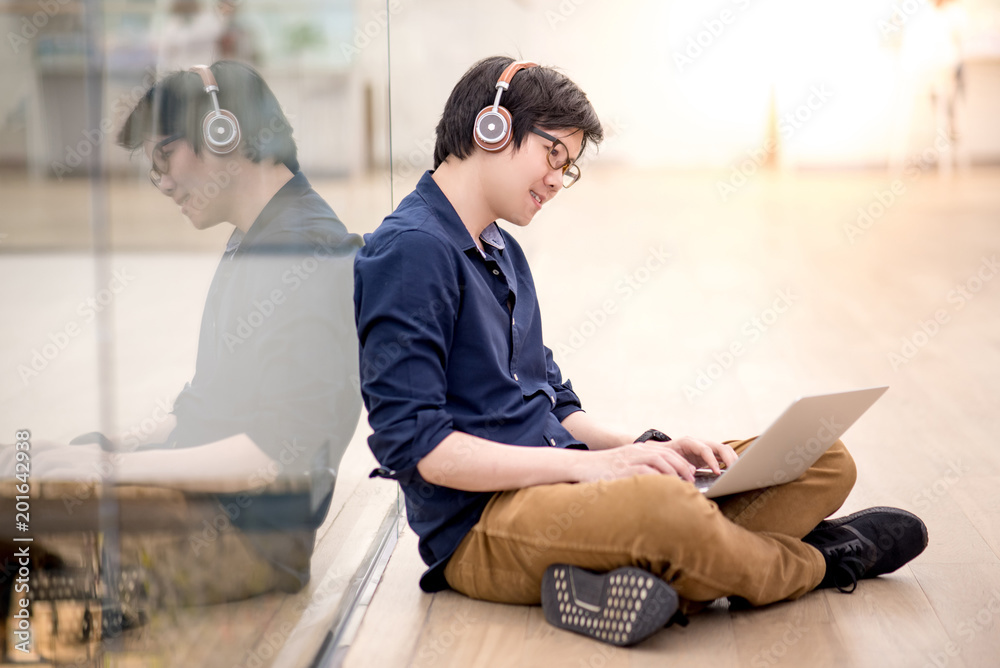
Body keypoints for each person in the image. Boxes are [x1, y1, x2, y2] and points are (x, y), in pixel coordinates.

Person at [353, 56, 928, 647]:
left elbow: (552, 398)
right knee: (671, 514)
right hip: (484, 525)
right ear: (491, 127)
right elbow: (420, 449)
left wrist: (644, 447)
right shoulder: (410, 252)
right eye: (554, 155)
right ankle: (817, 560)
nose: (557, 179)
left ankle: (626, 578)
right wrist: (596, 468)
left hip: (569, 482)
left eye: (568, 168)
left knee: (823, 456)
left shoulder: (501, 248)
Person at [1, 60, 362, 607]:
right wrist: (98, 449)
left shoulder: (303, 251)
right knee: (25, 479)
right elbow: (207, 410)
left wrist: (108, 472)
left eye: (165, 156)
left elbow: (274, 455)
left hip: (247, 541)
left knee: (19, 545)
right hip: (212, 510)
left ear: (224, 130)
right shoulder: (260, 236)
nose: (163, 182)